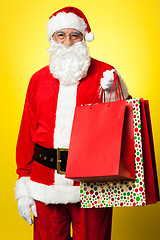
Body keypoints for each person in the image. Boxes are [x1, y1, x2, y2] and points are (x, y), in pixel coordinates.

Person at [15, 6, 129, 240]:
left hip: (92, 183)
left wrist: (116, 93)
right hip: (44, 181)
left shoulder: (105, 73)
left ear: (84, 38)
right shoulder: (37, 79)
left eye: (74, 35)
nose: (67, 42)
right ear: (52, 39)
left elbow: (125, 124)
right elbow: (27, 132)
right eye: (61, 35)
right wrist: (24, 186)